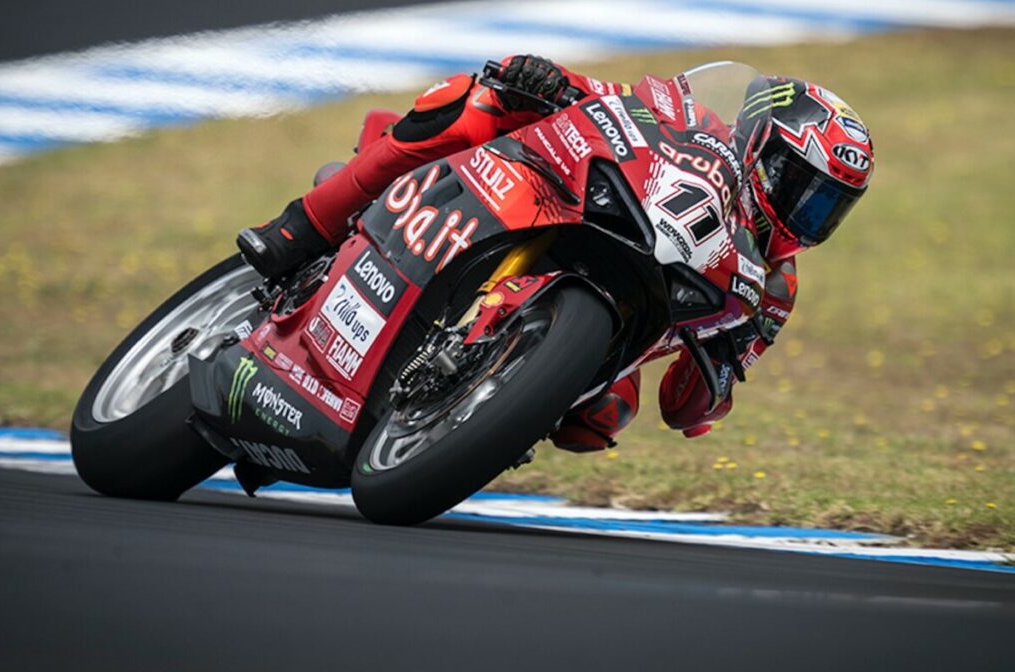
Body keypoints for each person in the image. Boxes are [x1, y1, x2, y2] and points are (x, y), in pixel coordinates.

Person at [237, 56, 874, 450]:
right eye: (801, 185)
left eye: (828, 206)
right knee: (470, 102)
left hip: (618, 316)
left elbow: (683, 406)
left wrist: (725, 364)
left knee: (604, 416)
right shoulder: (700, 125)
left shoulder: (774, 287)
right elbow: (617, 101)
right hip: (566, 202)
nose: (807, 213)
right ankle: (302, 227)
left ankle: (470, 410)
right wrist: (550, 81)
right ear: (760, 141)